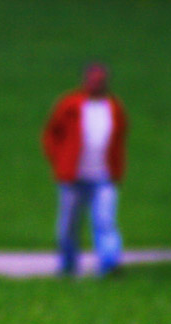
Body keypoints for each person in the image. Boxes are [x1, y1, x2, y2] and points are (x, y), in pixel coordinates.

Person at [42, 62, 128, 276]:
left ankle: (109, 264)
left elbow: (119, 139)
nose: (96, 84)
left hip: (103, 175)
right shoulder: (71, 104)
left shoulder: (114, 107)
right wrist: (60, 161)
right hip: (73, 176)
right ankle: (69, 266)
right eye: (92, 79)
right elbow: (51, 134)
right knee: (69, 225)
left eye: (100, 80)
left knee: (105, 220)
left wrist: (117, 167)